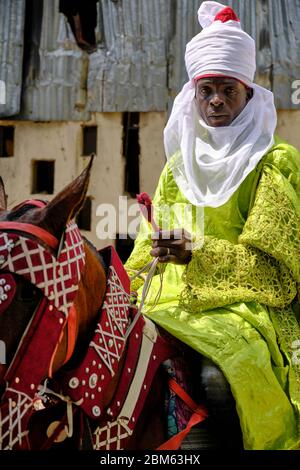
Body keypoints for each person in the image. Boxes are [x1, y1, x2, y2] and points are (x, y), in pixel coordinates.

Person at [125, 1, 300, 450]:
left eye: (227, 90)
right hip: (169, 298)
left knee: (218, 377)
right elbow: (146, 248)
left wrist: (196, 253)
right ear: (193, 95)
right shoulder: (177, 169)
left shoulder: (271, 166)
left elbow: (276, 273)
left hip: (245, 307)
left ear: (247, 95)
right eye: (206, 91)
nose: (216, 100)